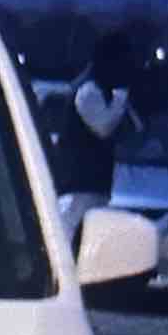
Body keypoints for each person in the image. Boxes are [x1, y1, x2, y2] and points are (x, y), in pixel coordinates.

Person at [51, 31, 136, 243]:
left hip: (91, 184)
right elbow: (103, 127)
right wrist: (120, 98)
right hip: (78, 185)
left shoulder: (100, 90)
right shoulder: (88, 90)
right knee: (70, 238)